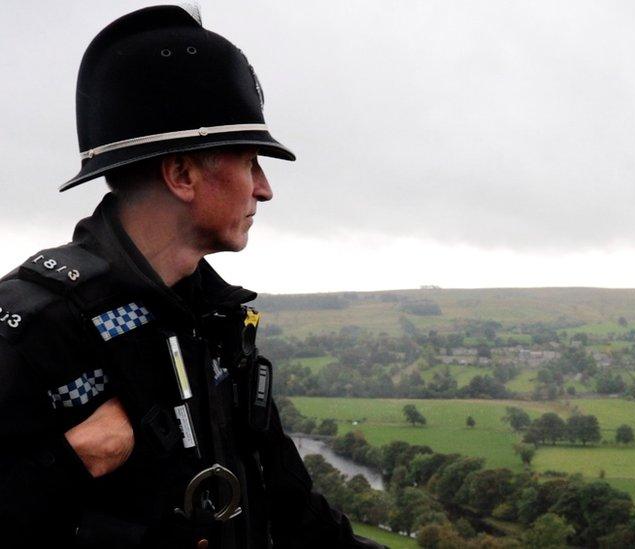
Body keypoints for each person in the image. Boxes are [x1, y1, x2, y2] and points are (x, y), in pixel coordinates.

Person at [0, 5, 383, 548]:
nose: (265, 188)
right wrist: (69, 463)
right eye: (250, 160)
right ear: (181, 174)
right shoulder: (33, 331)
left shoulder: (218, 320)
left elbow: (293, 511)